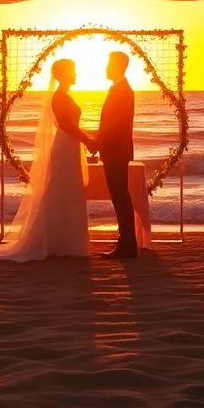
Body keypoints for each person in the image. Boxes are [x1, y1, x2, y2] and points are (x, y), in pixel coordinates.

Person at [0, 59, 91, 262]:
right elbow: (67, 126)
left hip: (70, 147)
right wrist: (89, 140)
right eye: (73, 71)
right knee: (59, 191)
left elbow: (71, 126)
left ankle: (65, 241)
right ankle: (52, 240)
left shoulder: (64, 96)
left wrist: (87, 139)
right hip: (65, 148)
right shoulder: (59, 98)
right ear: (64, 74)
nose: (76, 74)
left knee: (68, 191)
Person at [92, 51, 137, 259]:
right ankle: (127, 243)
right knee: (120, 197)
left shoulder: (122, 91)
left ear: (118, 66)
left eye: (109, 64)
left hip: (116, 152)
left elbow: (114, 126)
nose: (106, 68)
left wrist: (97, 142)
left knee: (120, 197)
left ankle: (127, 245)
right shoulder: (120, 89)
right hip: (115, 151)